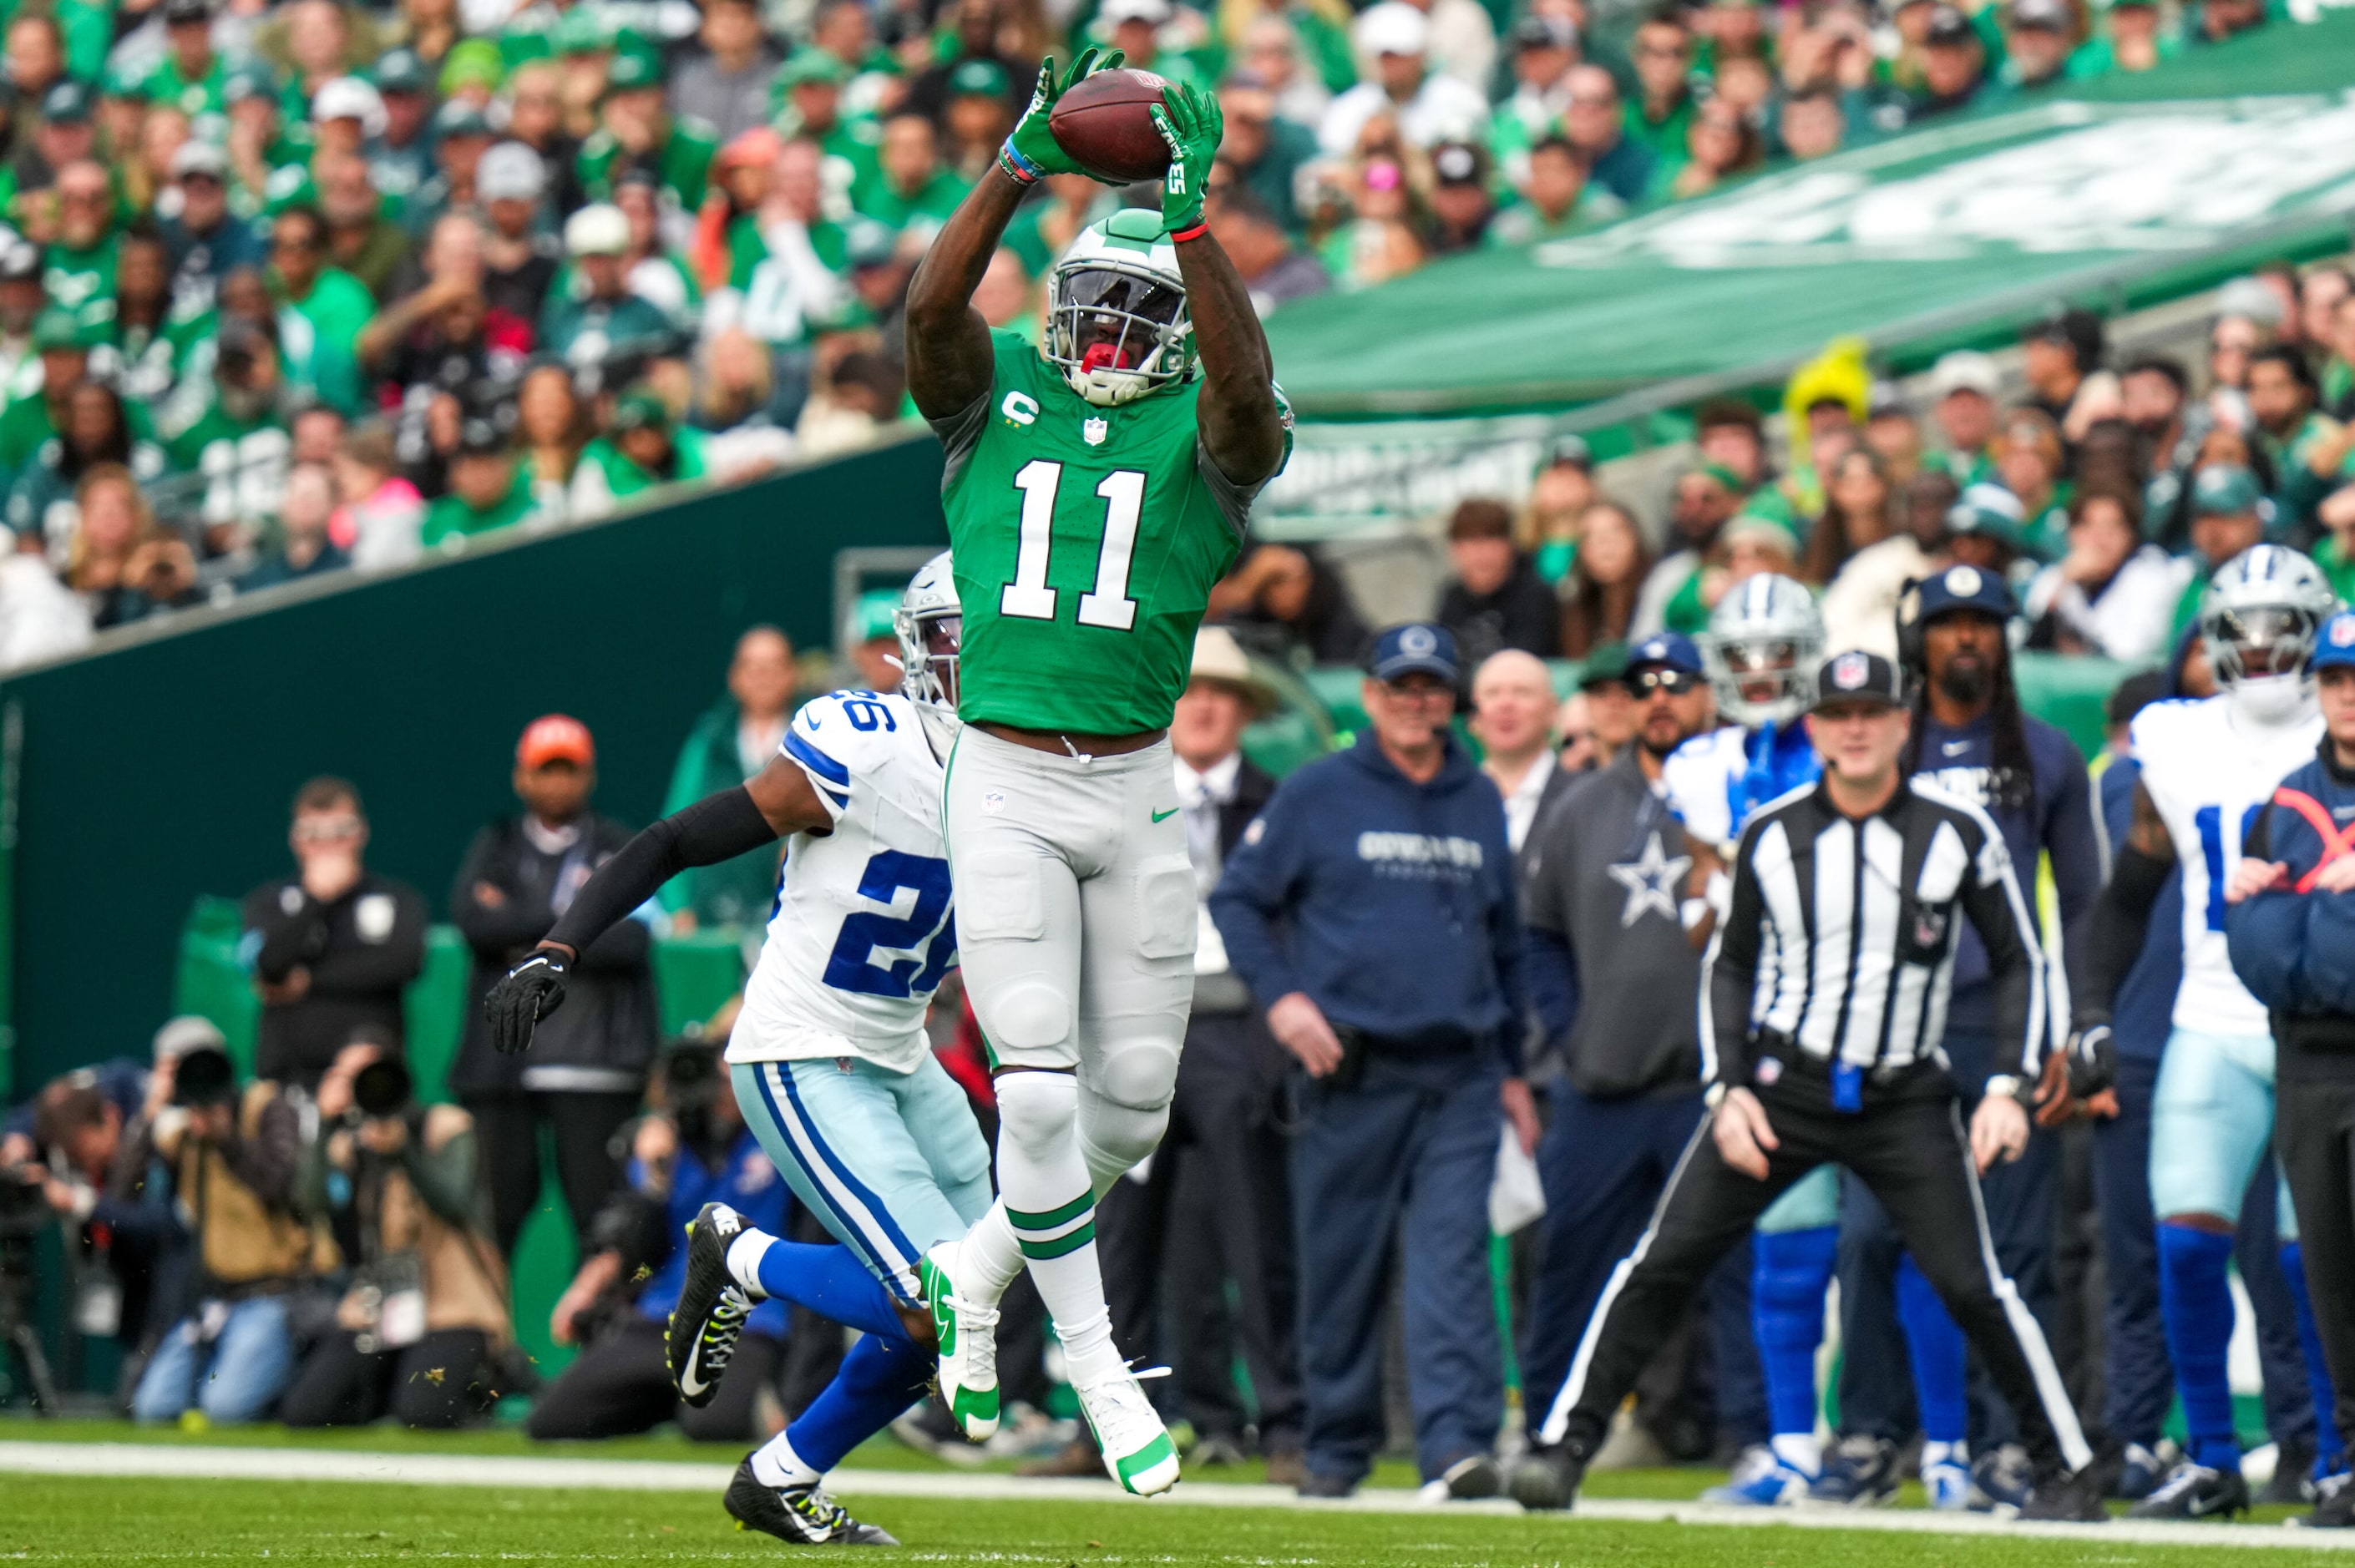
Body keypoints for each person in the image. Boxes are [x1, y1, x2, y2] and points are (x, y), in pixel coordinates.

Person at [896, 50, 1291, 1495]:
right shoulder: (988, 391)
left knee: (1129, 1100)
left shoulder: (1216, 428)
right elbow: (934, 310)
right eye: (1098, 302)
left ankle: (970, 1275)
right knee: (1046, 1099)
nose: (1116, 331)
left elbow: (1247, 397)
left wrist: (1191, 225)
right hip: (1003, 771)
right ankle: (1102, 1370)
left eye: (1146, 311)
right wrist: (1016, 167)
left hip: (1135, 787)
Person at [1510, 649, 2102, 1521]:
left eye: (1873, 712)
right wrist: (1729, 1090)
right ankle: (1564, 1448)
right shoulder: (1775, 834)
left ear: (1904, 724)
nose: (1856, 728)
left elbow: (2018, 958)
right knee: (1662, 1260)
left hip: (1905, 1093)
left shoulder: (1955, 832)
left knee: (1973, 1284)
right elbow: (1729, 964)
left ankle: (2065, 1469)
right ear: (1815, 727)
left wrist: (2009, 1085)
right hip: (1784, 1088)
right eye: (1839, 713)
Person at [486, 558, 978, 1545]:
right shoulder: (868, 746)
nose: (978, 656)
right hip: (804, 1050)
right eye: (958, 636)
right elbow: (674, 841)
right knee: (945, 1304)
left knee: (980, 1309)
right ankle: (741, 1254)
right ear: (919, 649)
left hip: (901, 1055)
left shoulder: (1036, 766)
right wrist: (558, 945)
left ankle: (781, 1478)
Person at [1212, 623, 1539, 1500]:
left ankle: (1457, 1449)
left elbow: (1507, 944)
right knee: (1341, 1269)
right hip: (1348, 1074)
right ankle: (1336, 1448)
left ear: (1450, 700)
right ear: (1370, 696)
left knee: (1454, 1262)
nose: (1416, 702)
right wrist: (1283, 1000)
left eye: (1432, 687)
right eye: (1400, 687)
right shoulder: (1319, 791)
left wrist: (1511, 1068)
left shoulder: (1478, 800)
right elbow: (1239, 900)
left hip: (1462, 1072)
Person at [2071, 545, 2347, 1517]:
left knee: (2310, 1255)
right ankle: (2213, 1458)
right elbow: (2128, 894)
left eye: (2284, 627)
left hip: (2324, 1033)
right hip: (2210, 1016)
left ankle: (2333, 1454)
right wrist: (2093, 1013)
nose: (2265, 646)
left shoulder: (2344, 721)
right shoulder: (2175, 740)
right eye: (2243, 627)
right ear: (2212, 636)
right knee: (2185, 1243)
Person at [1826, 564, 2102, 1510]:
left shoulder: (2052, 757)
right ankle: (1869, 1433)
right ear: (1921, 640)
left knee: (2015, 1248)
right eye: (1949, 625)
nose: (1968, 639)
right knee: (1868, 1236)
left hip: (2002, 1023)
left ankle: (2010, 1443)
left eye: (1983, 622)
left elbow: (2086, 909)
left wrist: (2066, 1032)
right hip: (1888, 1024)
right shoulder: (1884, 750)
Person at [1517, 632, 1768, 1475]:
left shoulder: (1747, 794)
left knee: (1737, 1273)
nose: (1658, 698)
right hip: (1606, 1083)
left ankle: (1756, 1442)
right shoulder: (1580, 807)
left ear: (1710, 697)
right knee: (1571, 1267)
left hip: (1721, 1088)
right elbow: (1537, 933)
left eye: (1678, 684)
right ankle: (1550, 1433)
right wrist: (1573, 1031)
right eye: (1643, 686)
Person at [1078, 625, 1304, 1479]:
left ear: (1245, 710)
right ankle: (1111, 1424)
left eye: (1222, 692)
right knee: (1119, 1235)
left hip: (1233, 1029)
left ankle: (1281, 1422)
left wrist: (1268, 1039)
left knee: (1256, 1234)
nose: (1204, 704)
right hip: (1133, 1024)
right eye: (1191, 689)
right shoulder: (1123, 796)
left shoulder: (1282, 802)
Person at [2226, 606, 2355, 1528]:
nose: (2352, 696)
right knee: (2331, 1269)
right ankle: (2349, 1459)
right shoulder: (2283, 805)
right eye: (2340, 679)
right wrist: (2253, 903)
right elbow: (2262, 950)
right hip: (2305, 1057)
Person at [447, 715, 658, 1257]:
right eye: (546, 770)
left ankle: (603, 1340)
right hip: (504, 1067)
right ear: (522, 778)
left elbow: (633, 939)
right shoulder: (494, 845)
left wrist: (522, 927)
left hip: (594, 1064)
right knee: (493, 1220)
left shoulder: (619, 845)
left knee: (602, 1221)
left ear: (587, 776)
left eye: (568, 770)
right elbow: (473, 923)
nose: (557, 783)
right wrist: (576, 924)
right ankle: (488, 1341)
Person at [524, 1042, 798, 1445]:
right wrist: (653, 1183)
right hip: (660, 1318)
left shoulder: (779, 1138)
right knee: (553, 1421)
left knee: (713, 1429)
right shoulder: (661, 1148)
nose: (717, 1093)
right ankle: (672, 1400)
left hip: (746, 1320)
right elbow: (635, 1244)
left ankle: (728, 1402)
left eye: (727, 1080)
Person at [282, 1044, 509, 1429]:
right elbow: (309, 1204)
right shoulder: (351, 1144)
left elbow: (453, 1203)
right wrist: (323, 1124)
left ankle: (474, 1386)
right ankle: (390, 1389)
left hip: (453, 1304)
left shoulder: (445, 1125)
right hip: (377, 1306)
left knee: (424, 1413)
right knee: (308, 1412)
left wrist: (404, 1150)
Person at [129, 1047, 315, 1425]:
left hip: (274, 1295)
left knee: (225, 1409)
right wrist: (150, 1114)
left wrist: (227, 1139)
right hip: (214, 1302)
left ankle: (294, 1374)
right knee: (153, 1408)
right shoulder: (184, 1131)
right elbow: (124, 1191)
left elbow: (278, 1186)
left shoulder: (266, 1108)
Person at [239, 776, 428, 1093]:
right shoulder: (267, 902)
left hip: (373, 1079)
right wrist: (317, 899)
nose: (327, 844)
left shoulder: (398, 899)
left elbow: (403, 962)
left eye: (340, 831)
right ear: (295, 839)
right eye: (313, 834)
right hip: (287, 1077)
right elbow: (269, 965)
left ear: (361, 833)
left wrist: (309, 981)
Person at [660, 625, 797, 931]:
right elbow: (675, 824)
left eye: (774, 666)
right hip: (713, 920)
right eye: (753, 667)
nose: (763, 677)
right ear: (735, 677)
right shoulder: (707, 742)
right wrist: (678, 906)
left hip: (792, 923)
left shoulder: (818, 740)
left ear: (792, 674)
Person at [1472, 648, 1573, 856]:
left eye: (1522, 692)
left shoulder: (1585, 798)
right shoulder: (1447, 801)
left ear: (1553, 711)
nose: (1505, 704)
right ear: (1474, 717)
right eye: (1492, 693)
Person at [1437, 498, 1560, 665]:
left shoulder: (1536, 595)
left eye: (1491, 541)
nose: (1481, 554)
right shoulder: (1451, 596)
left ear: (1510, 545)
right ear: (1454, 550)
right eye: (1471, 542)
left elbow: (1524, 665)